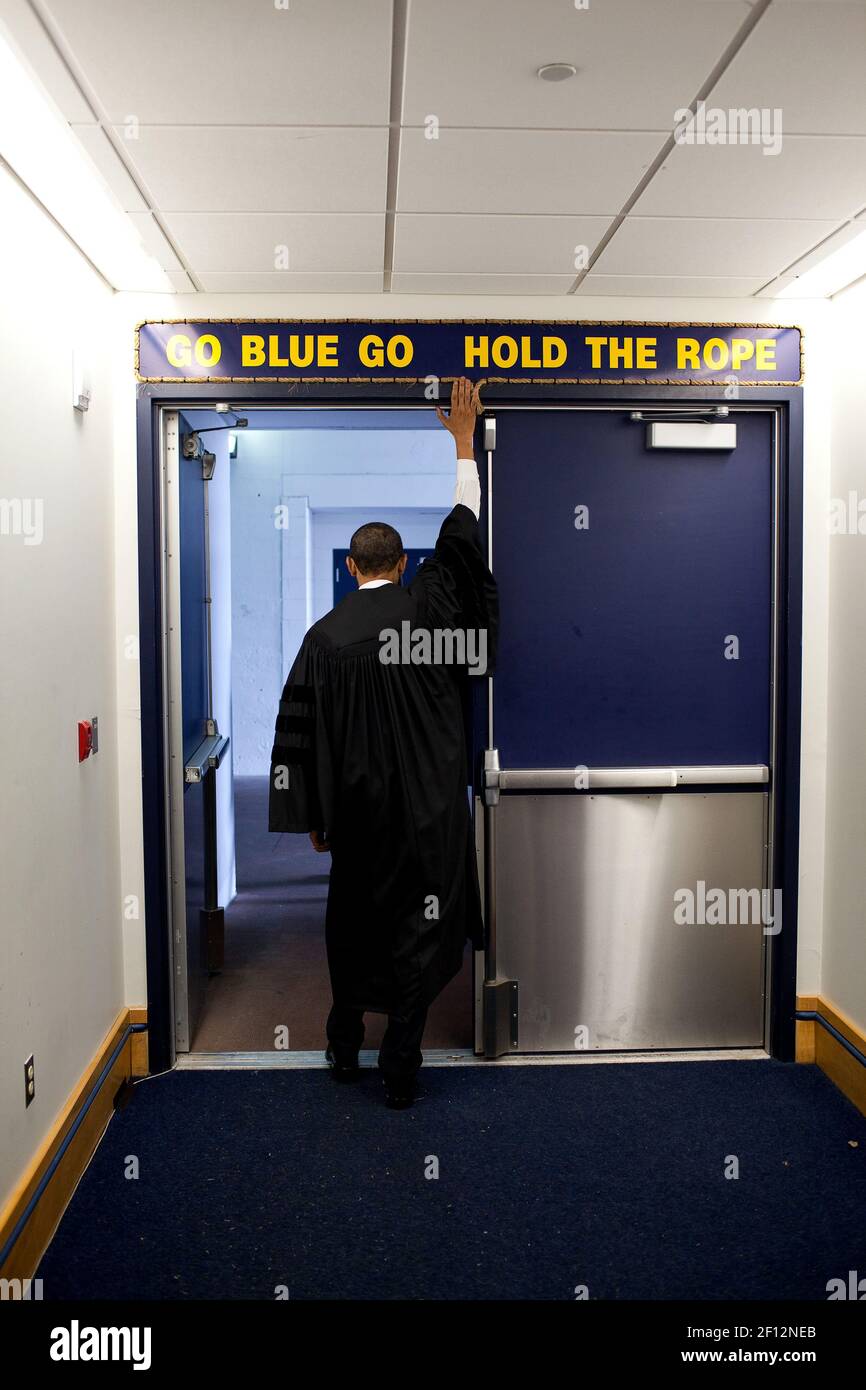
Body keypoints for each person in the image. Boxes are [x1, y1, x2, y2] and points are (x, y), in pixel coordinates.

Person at [268, 379, 498, 1108]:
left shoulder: (323, 640)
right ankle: (401, 1065)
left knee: (355, 926)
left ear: (350, 569)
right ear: (401, 566)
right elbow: (464, 534)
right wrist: (462, 444)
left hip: (360, 820)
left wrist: (311, 815)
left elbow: (298, 737)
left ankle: (342, 1050)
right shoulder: (430, 614)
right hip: (428, 817)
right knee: (418, 929)